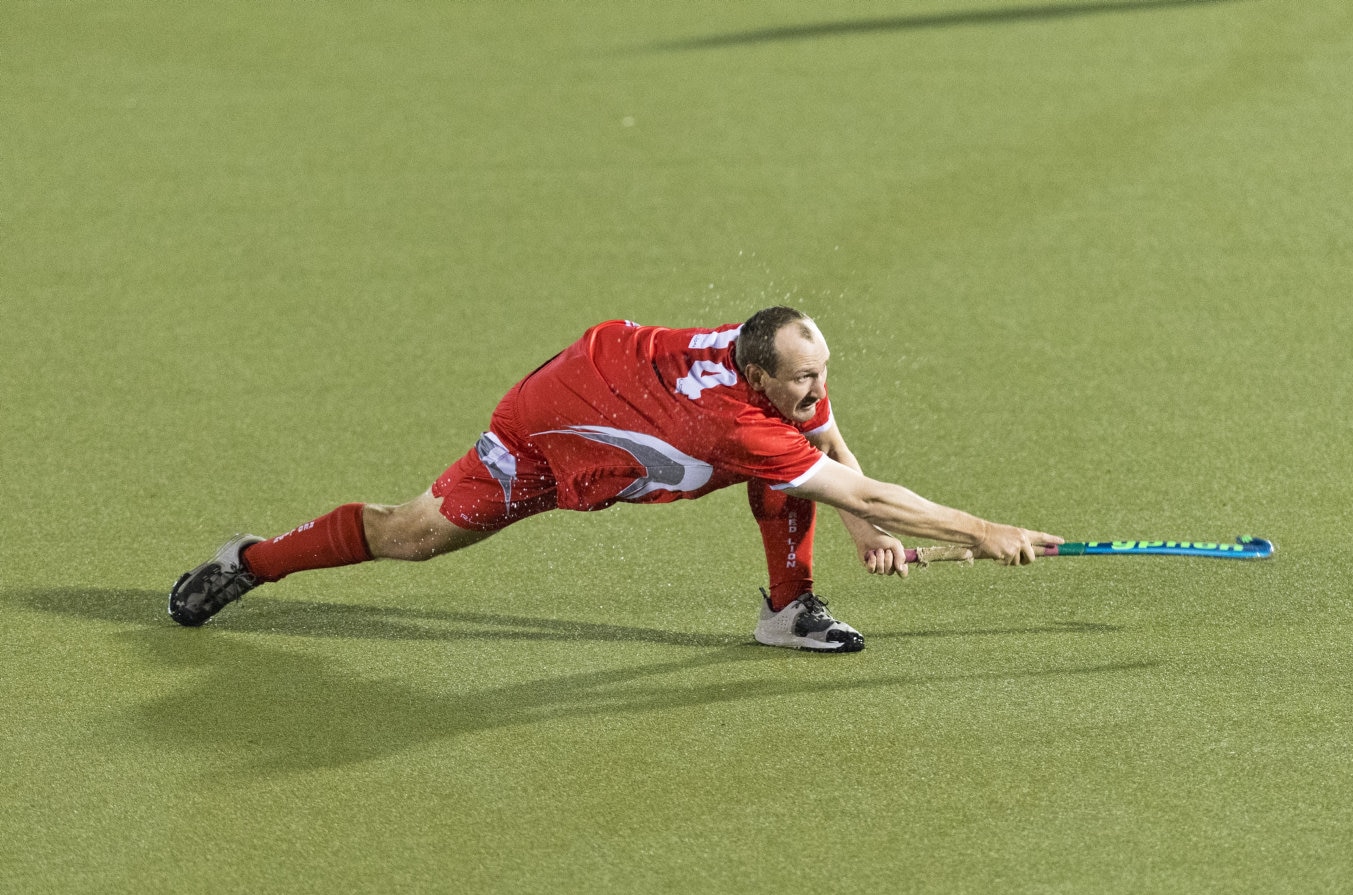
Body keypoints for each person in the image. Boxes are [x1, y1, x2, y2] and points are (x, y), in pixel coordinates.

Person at [169, 307, 1061, 653]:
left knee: (794, 470)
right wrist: (982, 531)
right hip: (547, 431)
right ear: (758, 377)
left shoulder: (767, 363)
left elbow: (832, 452)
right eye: (802, 378)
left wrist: (871, 530)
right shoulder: (736, 418)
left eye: (822, 368)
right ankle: (253, 559)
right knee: (412, 535)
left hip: (617, 397)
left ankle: (788, 609)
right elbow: (849, 484)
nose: (818, 388)